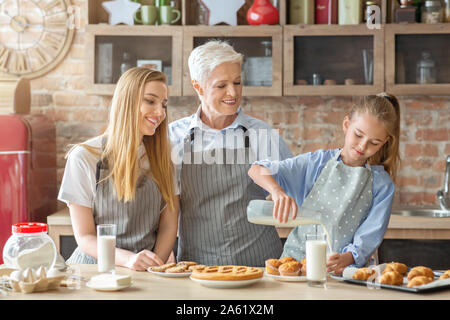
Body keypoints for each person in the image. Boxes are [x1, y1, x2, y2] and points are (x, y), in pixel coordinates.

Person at [169, 40, 293, 267]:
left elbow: (301, 190)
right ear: (198, 87)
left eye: (237, 82)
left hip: (260, 265)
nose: (233, 92)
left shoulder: (262, 135)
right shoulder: (173, 138)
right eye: (221, 85)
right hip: (196, 268)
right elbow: (161, 207)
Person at [248, 93, 401, 274]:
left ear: (385, 142)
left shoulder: (382, 185)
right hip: (297, 268)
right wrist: (276, 191)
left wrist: (348, 257)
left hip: (344, 272)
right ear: (346, 125)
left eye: (374, 143)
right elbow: (256, 169)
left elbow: (370, 234)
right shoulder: (315, 163)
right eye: (358, 135)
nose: (362, 146)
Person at [58, 67, 179, 271]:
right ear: (126, 102)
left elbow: (168, 226)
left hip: (146, 272)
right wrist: (129, 260)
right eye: (150, 101)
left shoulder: (166, 157)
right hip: (93, 271)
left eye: (164, 104)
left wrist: (153, 266)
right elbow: (85, 237)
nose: (160, 112)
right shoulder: (84, 157)